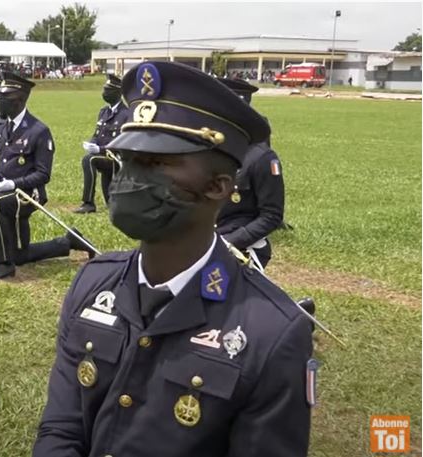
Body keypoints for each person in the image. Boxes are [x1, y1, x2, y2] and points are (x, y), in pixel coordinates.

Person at [32, 61, 313, 456]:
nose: (129, 178)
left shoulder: (272, 333)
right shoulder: (92, 283)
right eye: (128, 159)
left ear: (218, 186)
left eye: (157, 163)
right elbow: (61, 430)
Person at [0, 72, 96, 280]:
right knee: (20, 255)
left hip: (30, 193)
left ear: (20, 100)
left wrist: (13, 183)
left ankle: (3, 264)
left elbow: (43, 174)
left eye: (4, 98)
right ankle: (69, 241)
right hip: (7, 192)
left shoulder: (38, 131)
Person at [215, 77, 285, 269]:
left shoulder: (261, 158)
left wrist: (229, 242)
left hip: (243, 247)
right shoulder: (209, 150)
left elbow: (271, 215)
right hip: (205, 241)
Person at [73, 74, 128, 214]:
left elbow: (123, 142)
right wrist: (91, 145)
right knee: (111, 203)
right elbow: (97, 134)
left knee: (89, 160)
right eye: (104, 89)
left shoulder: (126, 114)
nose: (105, 93)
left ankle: (88, 203)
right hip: (104, 157)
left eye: (108, 90)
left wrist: (100, 149)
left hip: (117, 159)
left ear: (118, 93)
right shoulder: (104, 112)